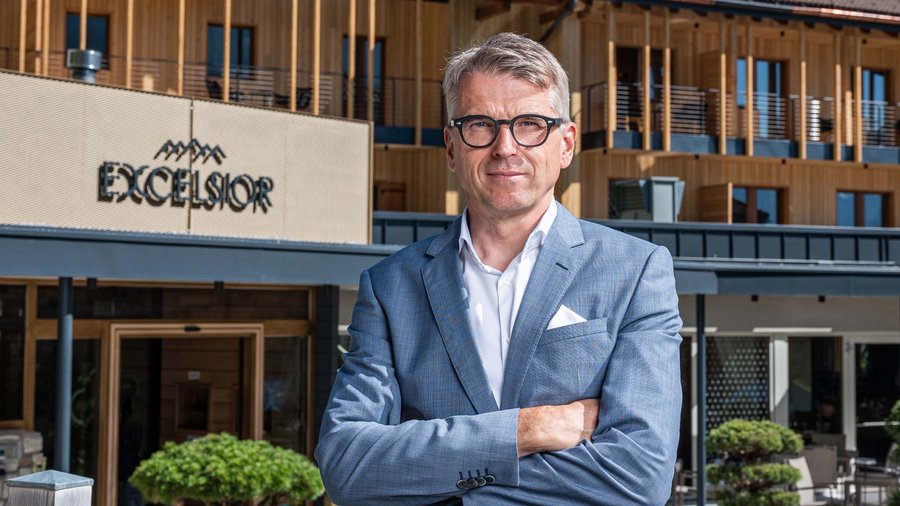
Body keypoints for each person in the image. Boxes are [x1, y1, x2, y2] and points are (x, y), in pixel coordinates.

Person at [315, 32, 683, 505]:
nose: (505, 147)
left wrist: (445, 486)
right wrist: (528, 429)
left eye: (530, 124)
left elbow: (639, 478)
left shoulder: (636, 272)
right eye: (480, 125)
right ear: (452, 147)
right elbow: (348, 466)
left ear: (566, 144)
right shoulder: (390, 288)